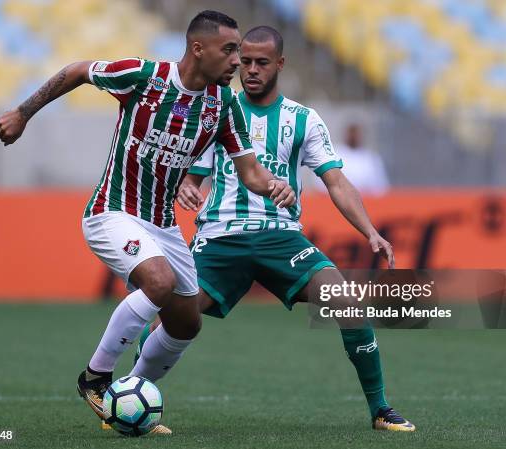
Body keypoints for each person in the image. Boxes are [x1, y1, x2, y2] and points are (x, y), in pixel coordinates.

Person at [0, 11, 295, 435]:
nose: (237, 61)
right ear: (198, 49)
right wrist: (23, 112)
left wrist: (274, 186)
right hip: (112, 212)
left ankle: (130, 397)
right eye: (229, 51)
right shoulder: (144, 76)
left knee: (186, 323)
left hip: (163, 225)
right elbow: (78, 70)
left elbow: (250, 172)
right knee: (158, 281)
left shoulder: (224, 106)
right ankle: (96, 379)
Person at [133, 26, 415, 432]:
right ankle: (128, 394)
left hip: (281, 237)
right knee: (174, 320)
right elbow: (191, 176)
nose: (250, 70)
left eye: (261, 63)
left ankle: (380, 409)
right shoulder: (216, 110)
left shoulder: (304, 120)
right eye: (244, 61)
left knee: (347, 305)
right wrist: (187, 189)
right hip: (220, 238)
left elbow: (335, 180)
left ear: (280, 64)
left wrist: (369, 230)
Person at [316, 124, 390, 195]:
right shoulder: (333, 154)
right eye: (352, 133)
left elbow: (381, 187)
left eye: (357, 133)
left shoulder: (371, 158)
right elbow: (321, 183)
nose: (354, 136)